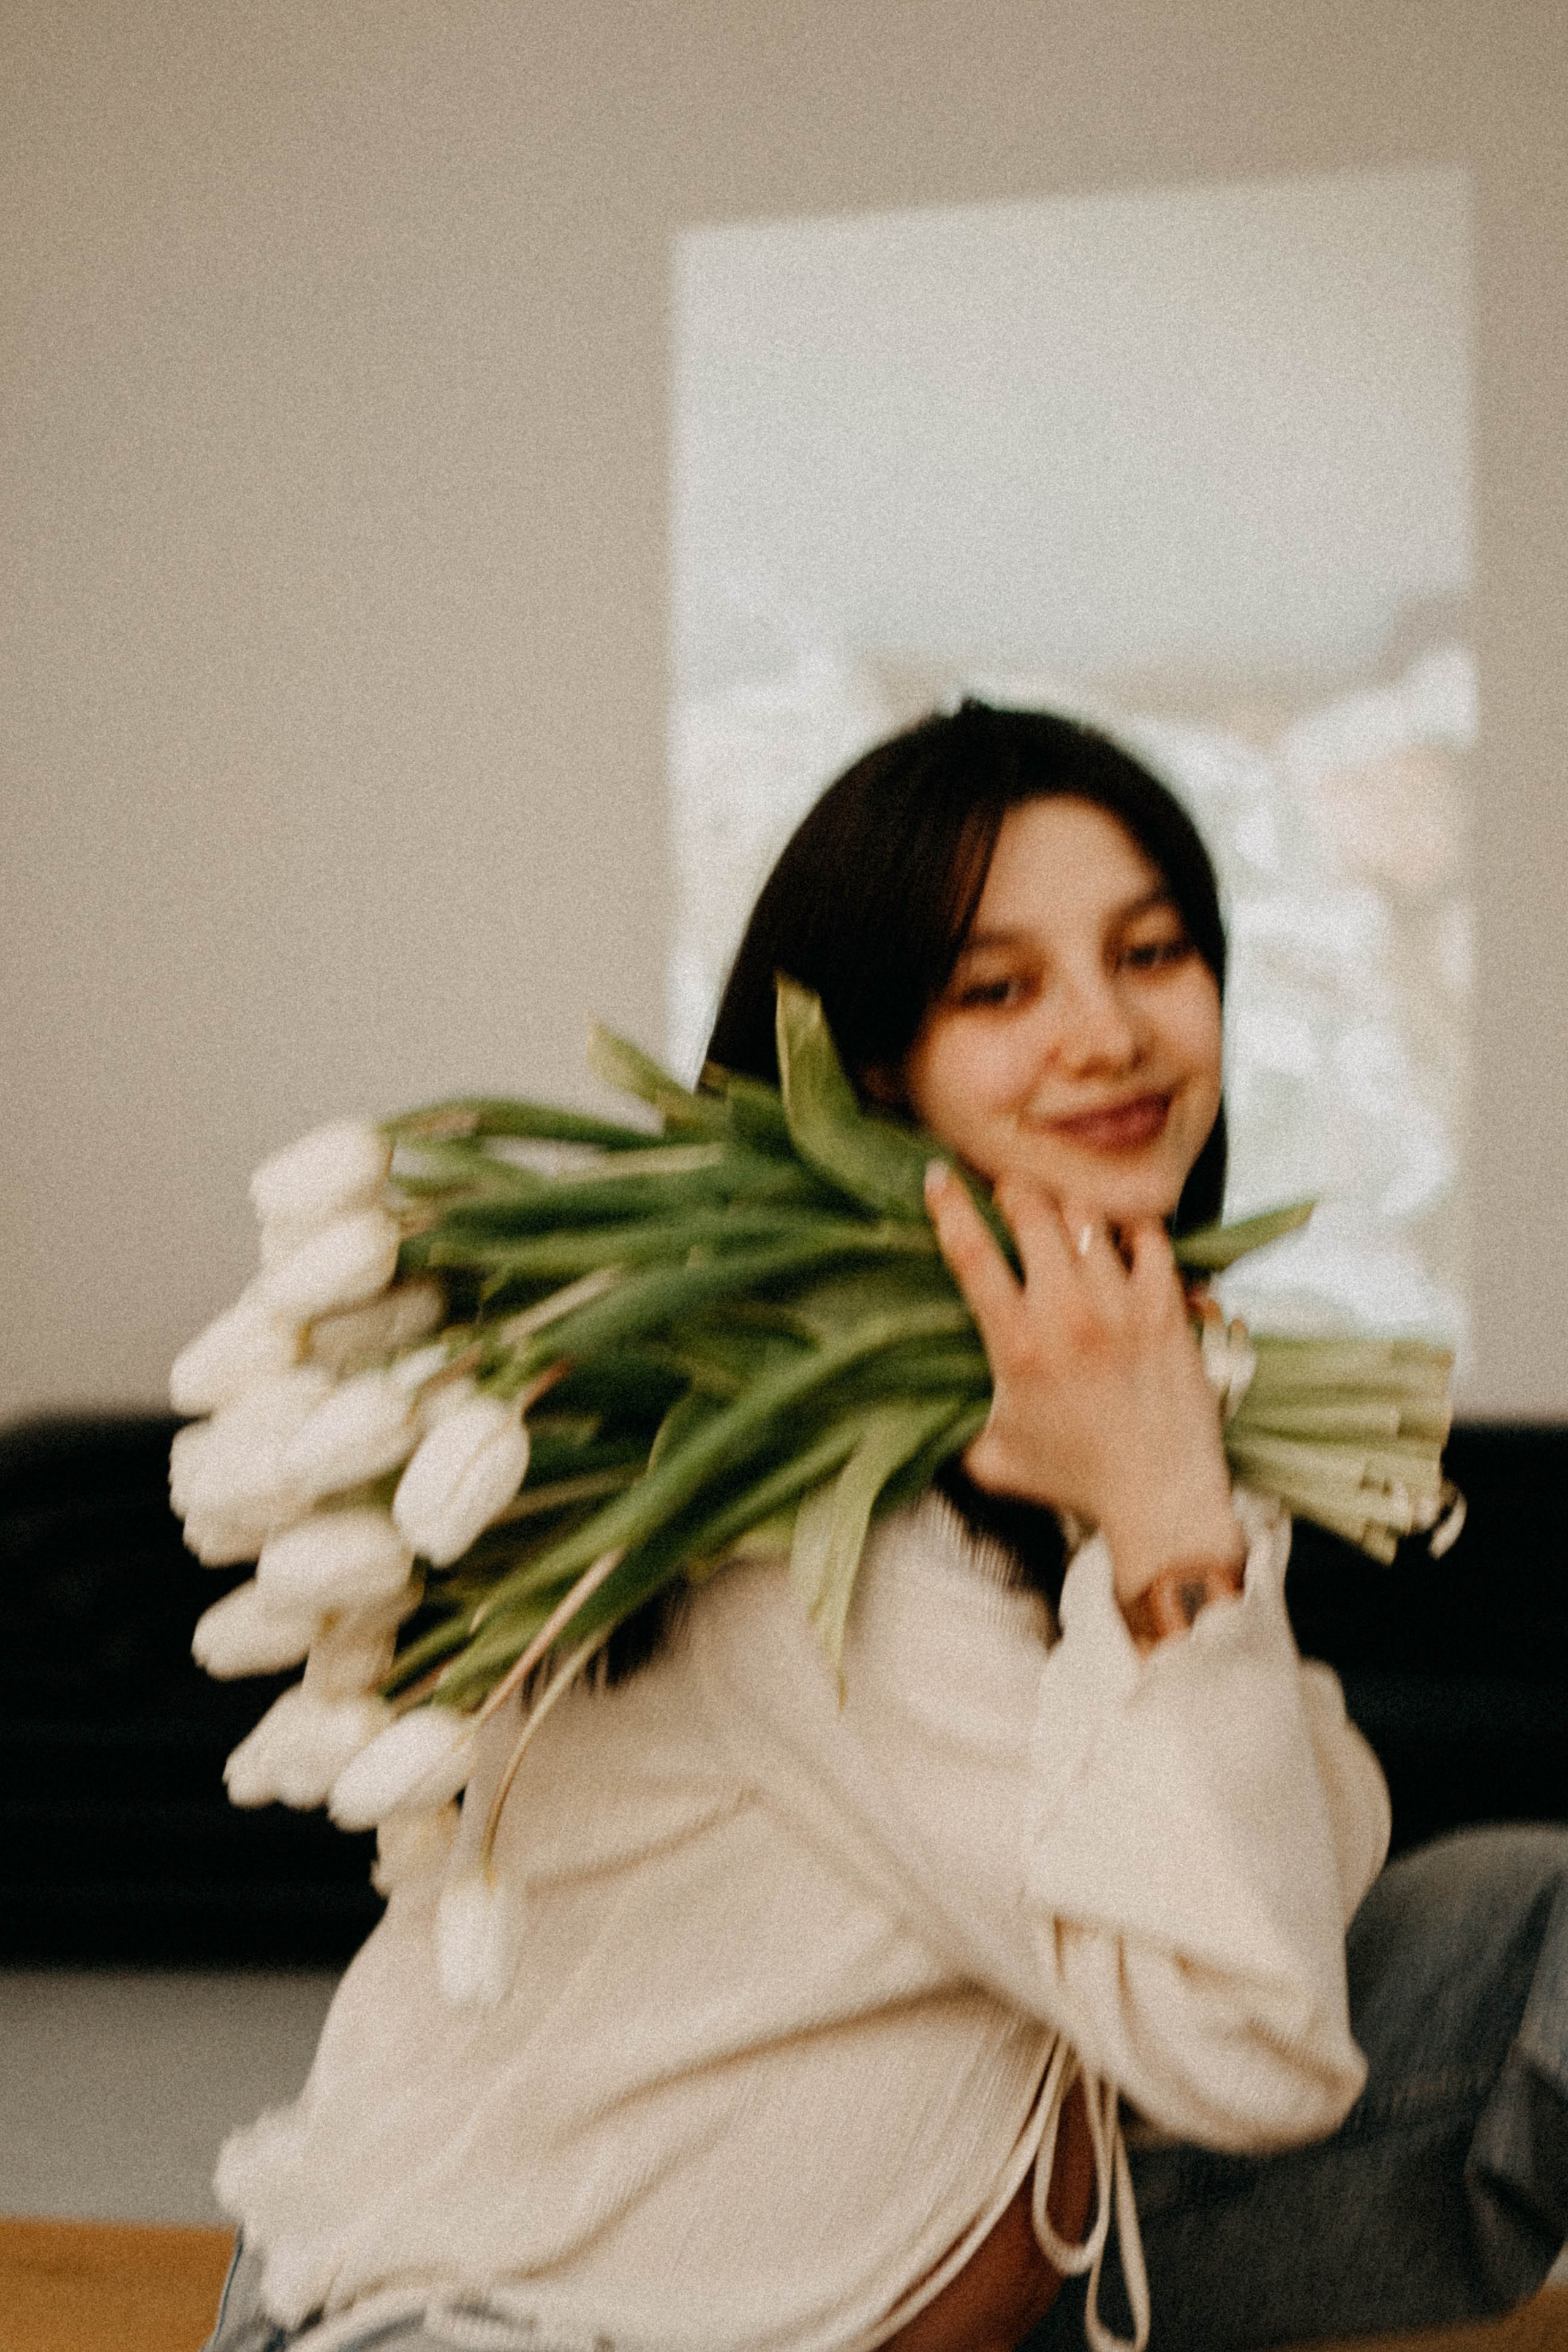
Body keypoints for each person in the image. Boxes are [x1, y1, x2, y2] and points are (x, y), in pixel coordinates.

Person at [205, 703, 1567, 2352]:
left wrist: (1164, 1520)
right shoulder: (794, 1517)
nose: (1110, 1033)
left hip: (946, 2246)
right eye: (998, 989)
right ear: (868, 1073)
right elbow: (1259, 2048)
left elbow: (1312, 1851)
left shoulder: (1088, 1418)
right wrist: (1169, 1535)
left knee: (1529, 1921)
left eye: (1151, 954)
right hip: (506, 2327)